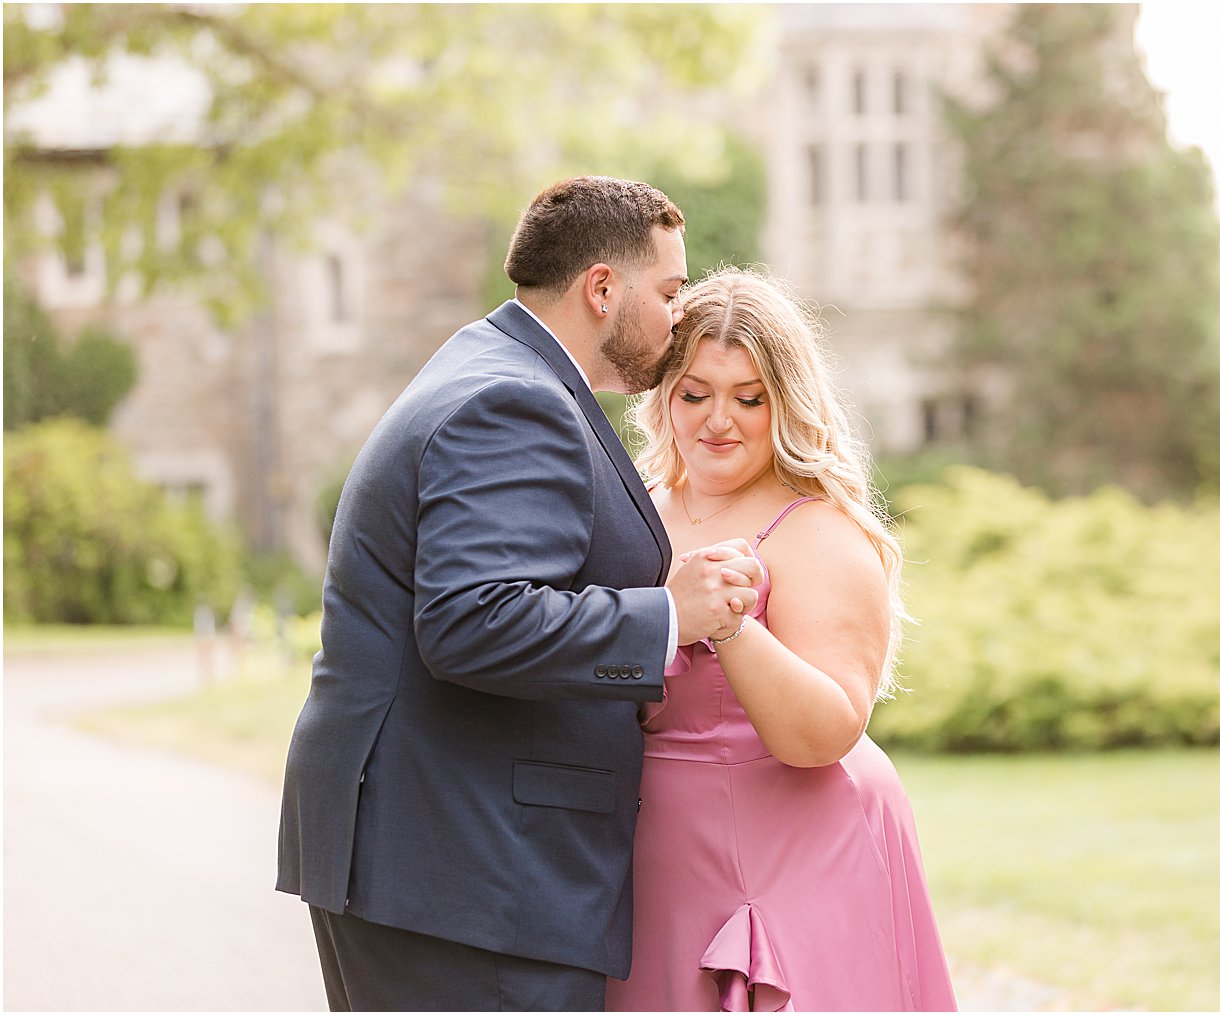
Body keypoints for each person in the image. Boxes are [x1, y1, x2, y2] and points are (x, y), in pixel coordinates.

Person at [276, 177, 763, 1012]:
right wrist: (669, 617)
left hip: (435, 861)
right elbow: (473, 620)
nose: (678, 315)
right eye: (669, 291)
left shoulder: (492, 365)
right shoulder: (516, 401)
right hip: (470, 874)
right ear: (602, 289)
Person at [603, 266, 959, 1012]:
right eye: (694, 393)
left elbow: (823, 732)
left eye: (748, 397)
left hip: (801, 843)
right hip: (656, 852)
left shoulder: (817, 530)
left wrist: (731, 624)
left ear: (785, 402)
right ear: (663, 396)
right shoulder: (632, 508)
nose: (716, 420)